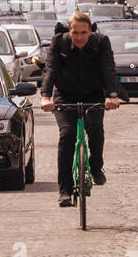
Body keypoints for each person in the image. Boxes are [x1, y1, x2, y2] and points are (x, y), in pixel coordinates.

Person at [40, 11, 122, 209]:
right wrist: (45, 97)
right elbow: (51, 69)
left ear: (90, 31)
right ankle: (65, 191)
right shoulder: (59, 43)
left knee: (95, 128)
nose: (79, 37)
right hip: (65, 96)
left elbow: (107, 68)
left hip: (92, 94)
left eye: (83, 33)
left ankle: (95, 167)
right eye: (75, 33)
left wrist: (112, 95)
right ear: (70, 31)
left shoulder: (101, 42)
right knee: (67, 136)